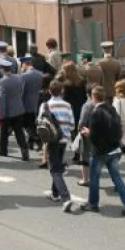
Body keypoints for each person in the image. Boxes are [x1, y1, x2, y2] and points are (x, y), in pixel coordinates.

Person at [80, 86, 125, 216]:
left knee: (94, 178)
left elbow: (94, 136)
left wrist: (88, 132)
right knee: (117, 178)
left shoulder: (95, 113)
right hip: (114, 149)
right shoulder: (112, 109)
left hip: (100, 152)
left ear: (93, 97)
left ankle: (93, 204)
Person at [37, 80, 76, 212]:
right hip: (65, 141)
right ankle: (55, 194)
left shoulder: (45, 105)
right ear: (62, 91)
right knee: (58, 167)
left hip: (52, 141)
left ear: (49, 91)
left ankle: (66, 197)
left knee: (55, 170)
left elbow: (39, 122)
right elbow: (72, 126)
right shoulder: (68, 105)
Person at [0, 58, 29, 161]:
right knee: (19, 132)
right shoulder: (19, 78)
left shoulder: (1, 82)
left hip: (8, 111)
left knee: (4, 132)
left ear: (2, 69)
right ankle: (24, 151)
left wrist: (1, 114)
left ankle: (3, 150)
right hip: (18, 108)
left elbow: (2, 99)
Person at [19, 56, 45, 152]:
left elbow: (21, 91)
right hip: (38, 102)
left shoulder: (24, 76)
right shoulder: (40, 74)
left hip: (27, 103)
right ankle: (30, 143)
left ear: (25, 64)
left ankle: (37, 141)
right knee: (33, 123)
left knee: (28, 125)